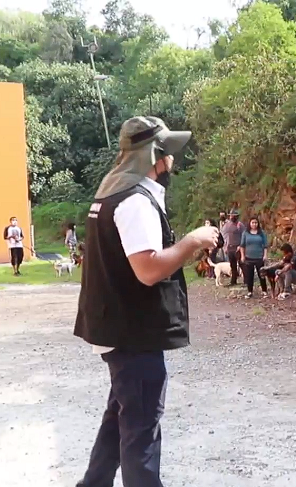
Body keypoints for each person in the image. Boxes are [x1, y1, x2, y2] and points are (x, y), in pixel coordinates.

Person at [73, 116, 219, 487]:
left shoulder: (112, 193)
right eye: (168, 153)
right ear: (154, 155)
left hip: (120, 329)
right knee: (141, 431)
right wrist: (192, 241)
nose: (173, 161)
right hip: (132, 333)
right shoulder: (136, 201)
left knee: (119, 418)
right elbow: (148, 270)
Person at [239, 216, 269, 298]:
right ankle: (250, 291)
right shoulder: (245, 233)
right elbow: (242, 245)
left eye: (256, 223)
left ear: (258, 223)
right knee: (249, 275)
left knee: (261, 274)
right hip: (249, 257)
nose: (254, 224)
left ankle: (264, 290)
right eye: (253, 223)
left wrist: (265, 255)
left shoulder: (261, 233)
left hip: (259, 257)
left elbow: (265, 245)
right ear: (249, 223)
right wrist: (242, 256)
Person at [222, 209, 244, 286]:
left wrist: (241, 245)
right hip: (229, 247)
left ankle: (246, 280)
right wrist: (225, 247)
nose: (232, 217)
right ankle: (233, 280)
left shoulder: (240, 225)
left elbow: (243, 236)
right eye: (231, 215)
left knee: (242, 264)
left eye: (234, 216)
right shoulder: (226, 226)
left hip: (238, 247)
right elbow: (224, 237)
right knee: (232, 265)